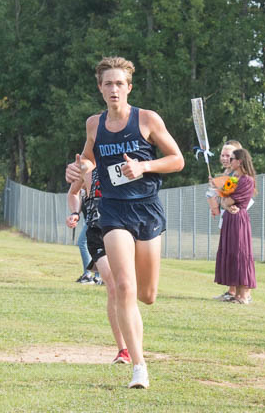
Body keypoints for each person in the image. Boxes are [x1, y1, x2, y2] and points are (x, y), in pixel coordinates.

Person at [65, 57, 184, 389]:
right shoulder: (95, 124)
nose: (113, 89)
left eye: (119, 83)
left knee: (147, 295)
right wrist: (77, 169)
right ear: (100, 88)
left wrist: (143, 168)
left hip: (147, 210)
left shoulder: (146, 119)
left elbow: (177, 159)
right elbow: (87, 159)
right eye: (108, 84)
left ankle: (137, 350)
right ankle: (139, 366)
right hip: (113, 211)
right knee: (123, 288)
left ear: (129, 87)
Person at [65, 165, 127, 362]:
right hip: (96, 233)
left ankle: (132, 338)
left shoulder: (121, 165)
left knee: (128, 288)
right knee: (112, 286)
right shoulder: (88, 170)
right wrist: (75, 212)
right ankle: (123, 349)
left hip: (123, 231)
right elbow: (73, 193)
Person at [214, 147, 257, 305]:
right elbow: (223, 201)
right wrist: (226, 203)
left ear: (239, 161)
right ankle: (236, 293)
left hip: (239, 220)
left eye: (231, 159)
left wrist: (227, 202)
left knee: (241, 254)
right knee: (232, 254)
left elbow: (229, 200)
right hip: (229, 220)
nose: (229, 161)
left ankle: (244, 294)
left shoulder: (247, 180)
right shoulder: (233, 179)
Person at [210, 140, 242, 300]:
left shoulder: (237, 175)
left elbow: (231, 198)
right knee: (227, 253)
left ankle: (237, 292)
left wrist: (221, 198)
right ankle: (231, 290)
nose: (224, 158)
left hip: (235, 218)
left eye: (228, 155)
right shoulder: (226, 174)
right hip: (226, 217)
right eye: (222, 155)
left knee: (234, 253)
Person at [68, 166, 100, 285]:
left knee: (83, 242)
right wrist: (75, 215)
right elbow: (79, 205)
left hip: (99, 216)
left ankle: (90, 274)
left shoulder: (93, 180)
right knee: (96, 244)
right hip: (91, 218)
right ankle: (96, 275)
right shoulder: (83, 192)